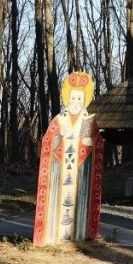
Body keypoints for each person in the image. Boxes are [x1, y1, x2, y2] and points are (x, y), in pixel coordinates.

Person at [33, 72, 104, 246]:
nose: (76, 102)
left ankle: (81, 235)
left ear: (85, 100)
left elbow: (98, 146)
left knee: (79, 209)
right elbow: (48, 142)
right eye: (73, 98)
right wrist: (59, 137)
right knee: (57, 208)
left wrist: (91, 144)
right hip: (60, 174)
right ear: (67, 98)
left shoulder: (89, 122)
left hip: (81, 176)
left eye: (80, 99)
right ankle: (51, 237)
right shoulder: (59, 120)